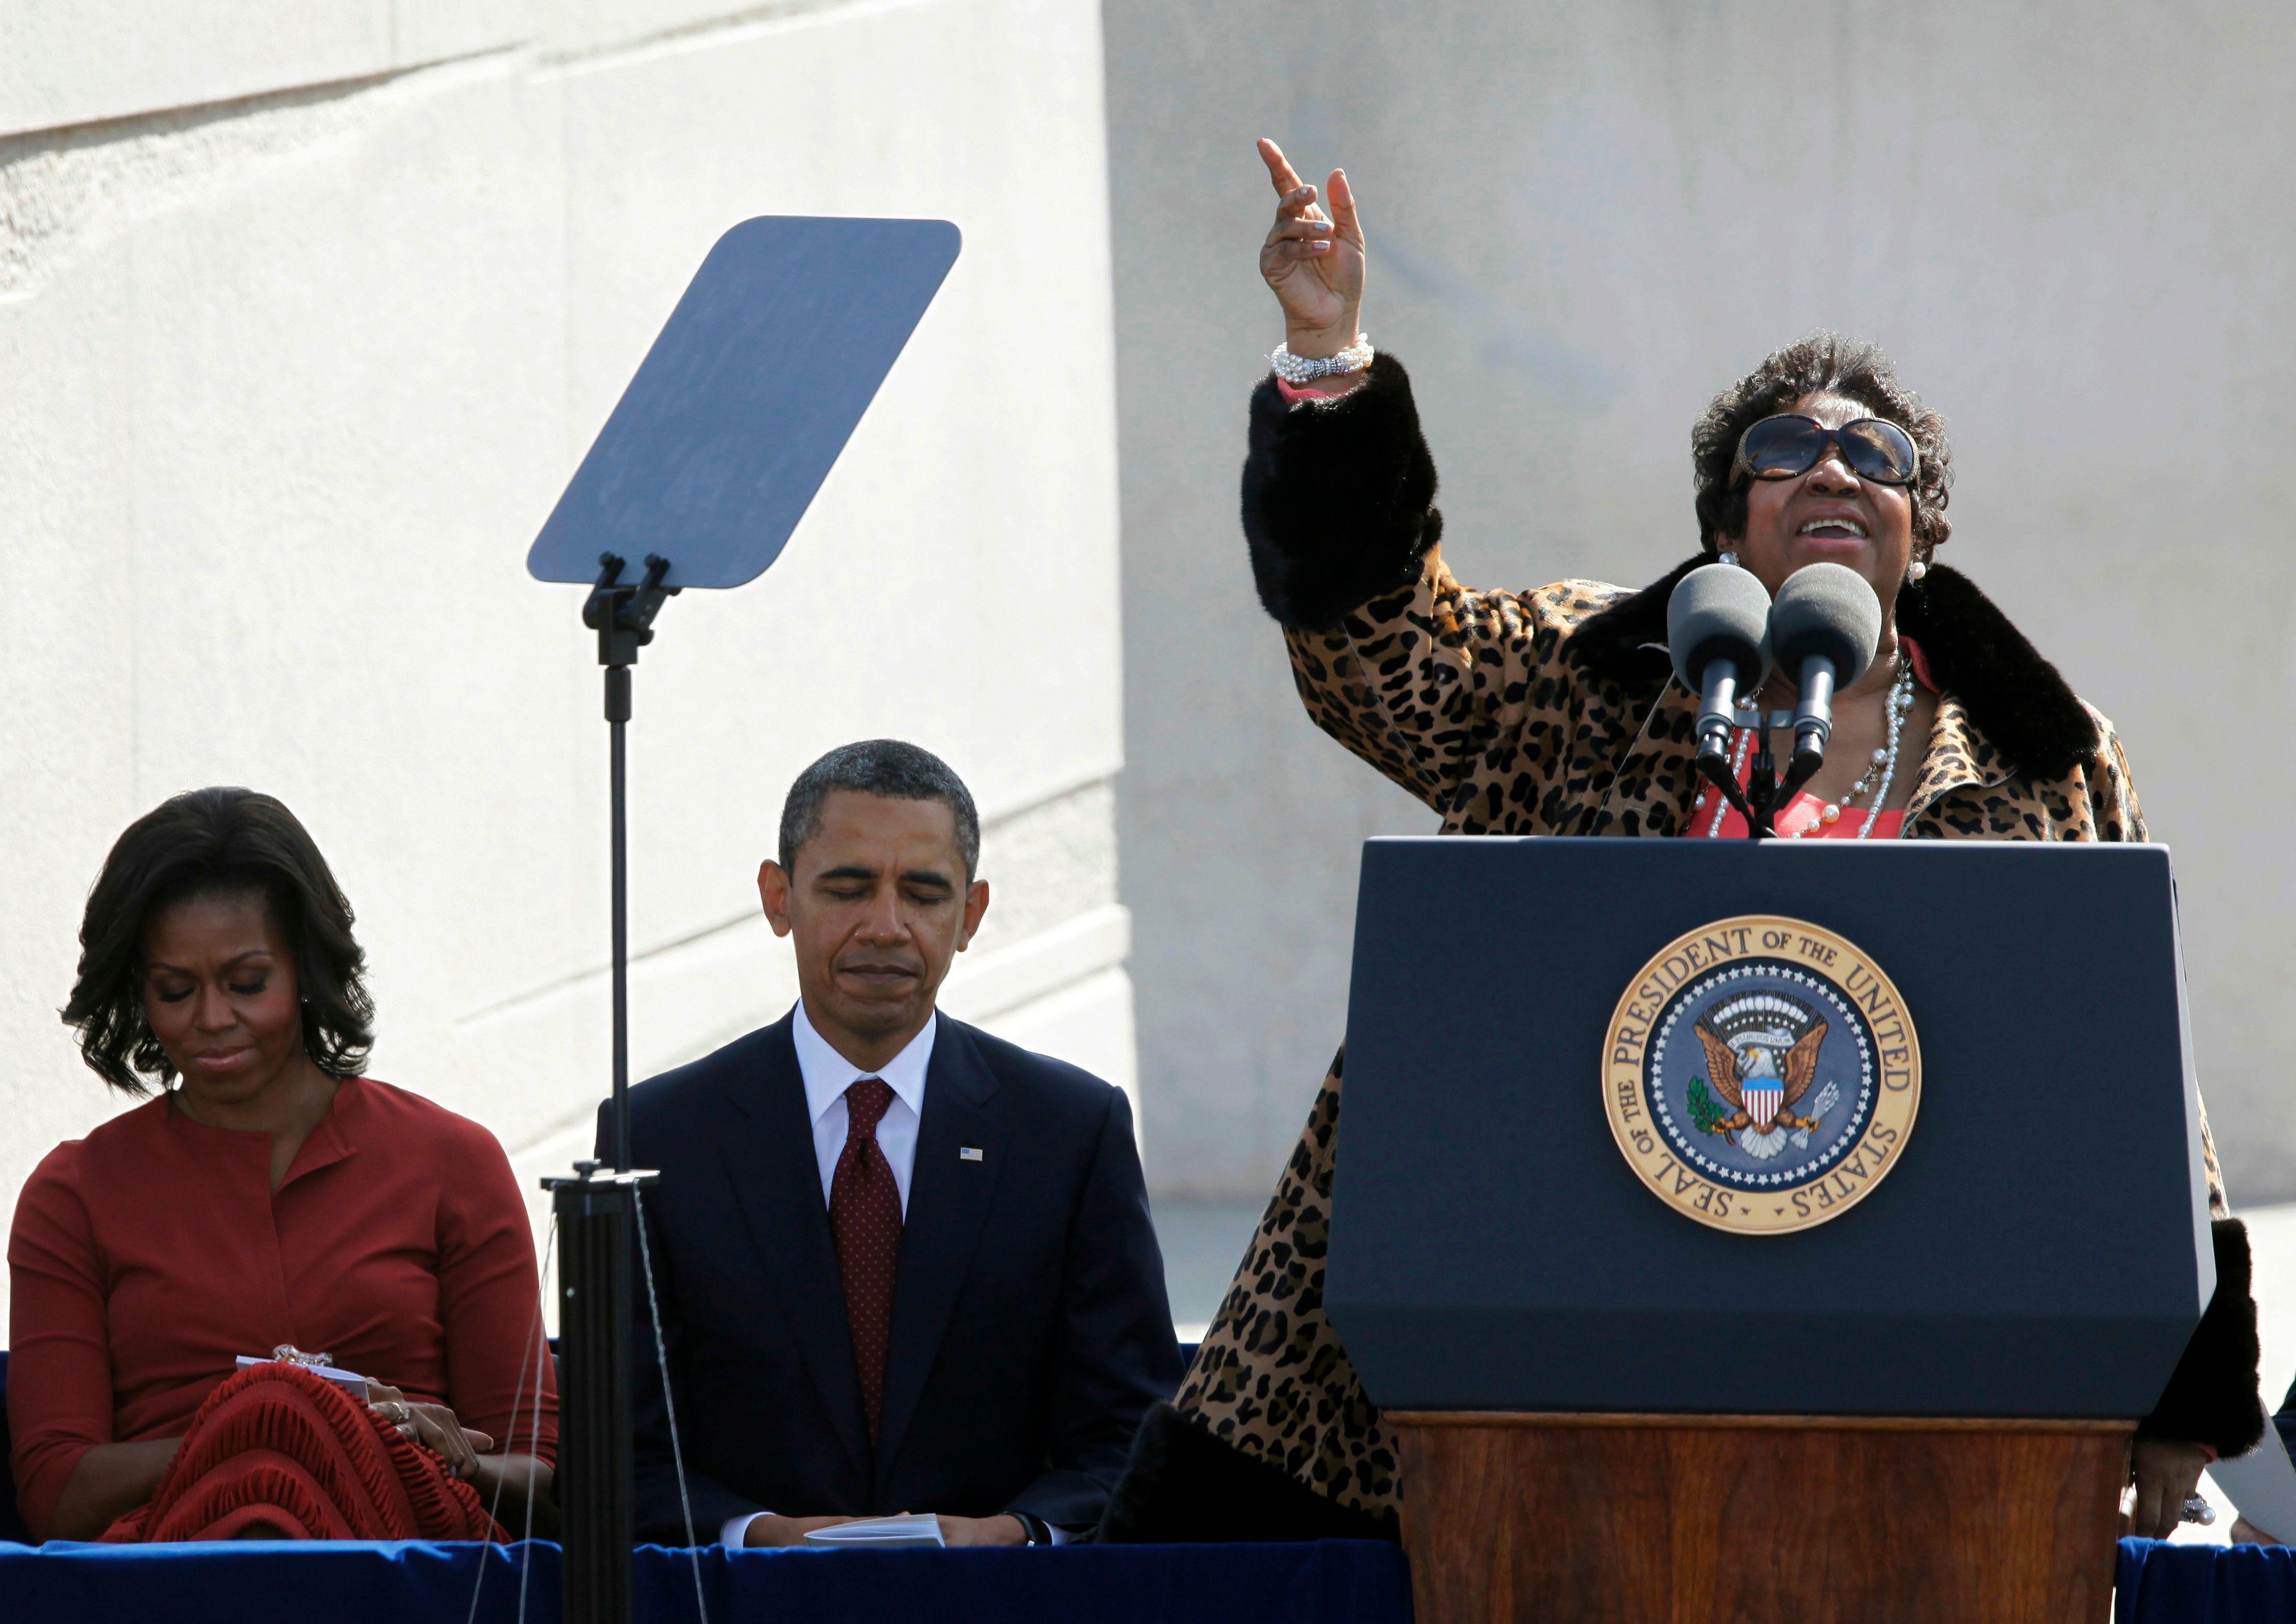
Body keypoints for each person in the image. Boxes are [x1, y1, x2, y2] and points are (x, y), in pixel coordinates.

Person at [1095, 140, 2262, 1545]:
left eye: (1871, 456)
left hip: (1912, 1372)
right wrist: (1329, 360)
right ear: (1724, 519)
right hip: (1535, 1350)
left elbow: (2127, 1062)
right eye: (1785, 452)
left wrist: (2184, 1375)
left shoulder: (2042, 751)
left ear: (1923, 527)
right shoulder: (1584, 674)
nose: (1829, 466)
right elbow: (1371, 646)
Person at [612, 739, 1181, 1547]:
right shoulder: (658, 1136)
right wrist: (758, 1536)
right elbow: (619, 1457)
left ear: (971, 914)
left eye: (922, 892)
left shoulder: (1068, 1130)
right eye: (846, 888)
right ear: (779, 899)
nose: (886, 926)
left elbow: (1128, 1436)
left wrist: (1010, 1535)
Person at [7, 788, 556, 1542]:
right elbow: (54, 1493)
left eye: (246, 983)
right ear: (135, 990)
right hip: (171, 1578)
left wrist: (422, 1450)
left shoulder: (452, 1162)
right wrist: (278, 1420)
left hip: (408, 1573)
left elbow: (539, 1475)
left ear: (305, 967)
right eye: (175, 990)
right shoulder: (75, 1194)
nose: (211, 1019)